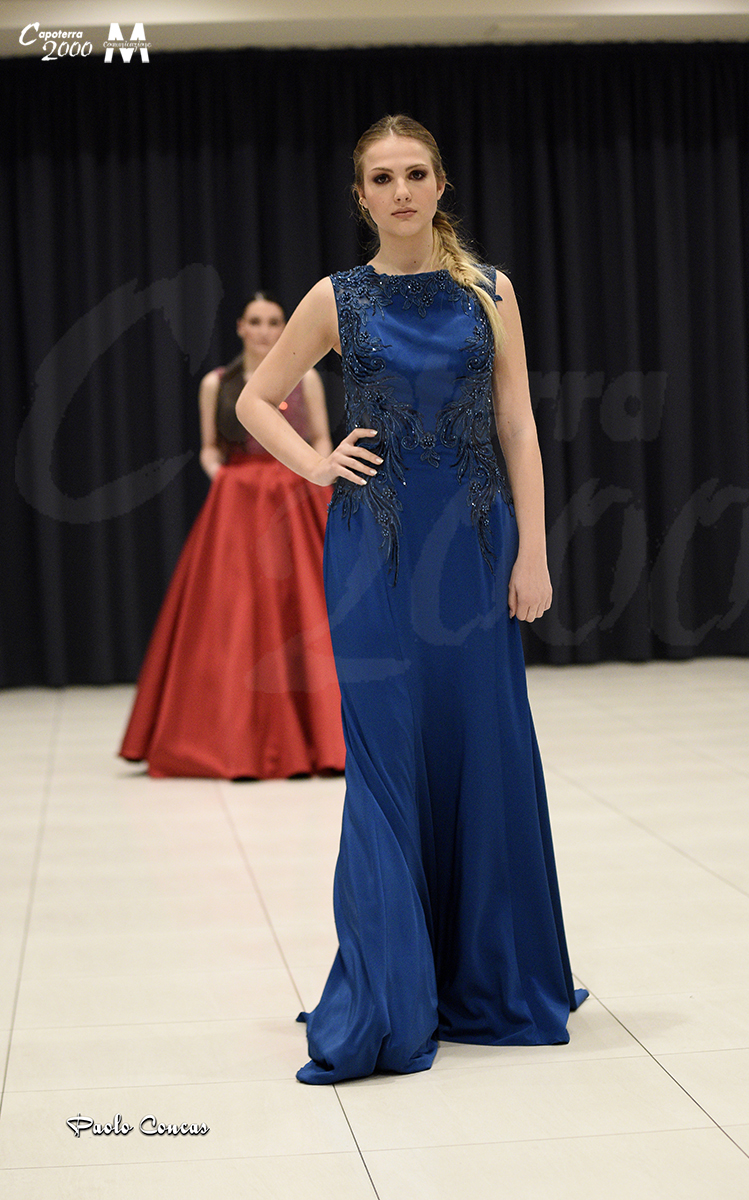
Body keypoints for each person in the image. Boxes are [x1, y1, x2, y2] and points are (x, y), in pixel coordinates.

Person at [236, 116, 587, 1084]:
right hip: (374, 552)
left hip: (474, 548)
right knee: (388, 758)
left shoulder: (490, 291)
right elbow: (256, 400)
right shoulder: (334, 297)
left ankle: (486, 973)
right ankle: (392, 990)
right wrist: (316, 463)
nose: (400, 191)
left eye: (415, 173)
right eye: (382, 178)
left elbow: (517, 424)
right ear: (361, 196)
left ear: (440, 185)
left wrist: (534, 552)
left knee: (484, 748)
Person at [119, 292, 345, 779]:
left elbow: (321, 439)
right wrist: (221, 477)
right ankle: (231, 735)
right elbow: (209, 447)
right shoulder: (217, 383)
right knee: (236, 612)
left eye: (274, 322)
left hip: (295, 498)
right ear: (241, 327)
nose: (265, 331)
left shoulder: (305, 379)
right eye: (256, 322)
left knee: (307, 605)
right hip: (239, 503)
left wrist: (319, 474)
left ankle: (322, 736)